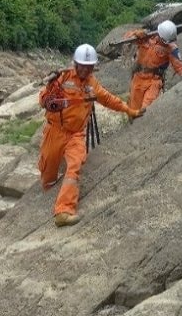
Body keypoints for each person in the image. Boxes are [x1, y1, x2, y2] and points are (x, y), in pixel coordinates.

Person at [37, 43, 144, 227]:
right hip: (54, 131)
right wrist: (48, 96)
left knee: (75, 166)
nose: (85, 70)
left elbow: (108, 99)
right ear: (75, 64)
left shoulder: (92, 85)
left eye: (89, 67)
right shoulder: (62, 78)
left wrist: (129, 110)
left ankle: (63, 211)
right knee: (47, 174)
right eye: (82, 66)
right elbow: (42, 99)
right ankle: (47, 193)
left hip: (76, 135)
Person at [124, 19, 182, 112]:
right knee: (133, 110)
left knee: (145, 110)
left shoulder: (171, 48)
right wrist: (136, 33)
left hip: (154, 81)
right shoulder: (147, 37)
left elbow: (180, 68)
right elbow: (126, 38)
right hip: (138, 77)